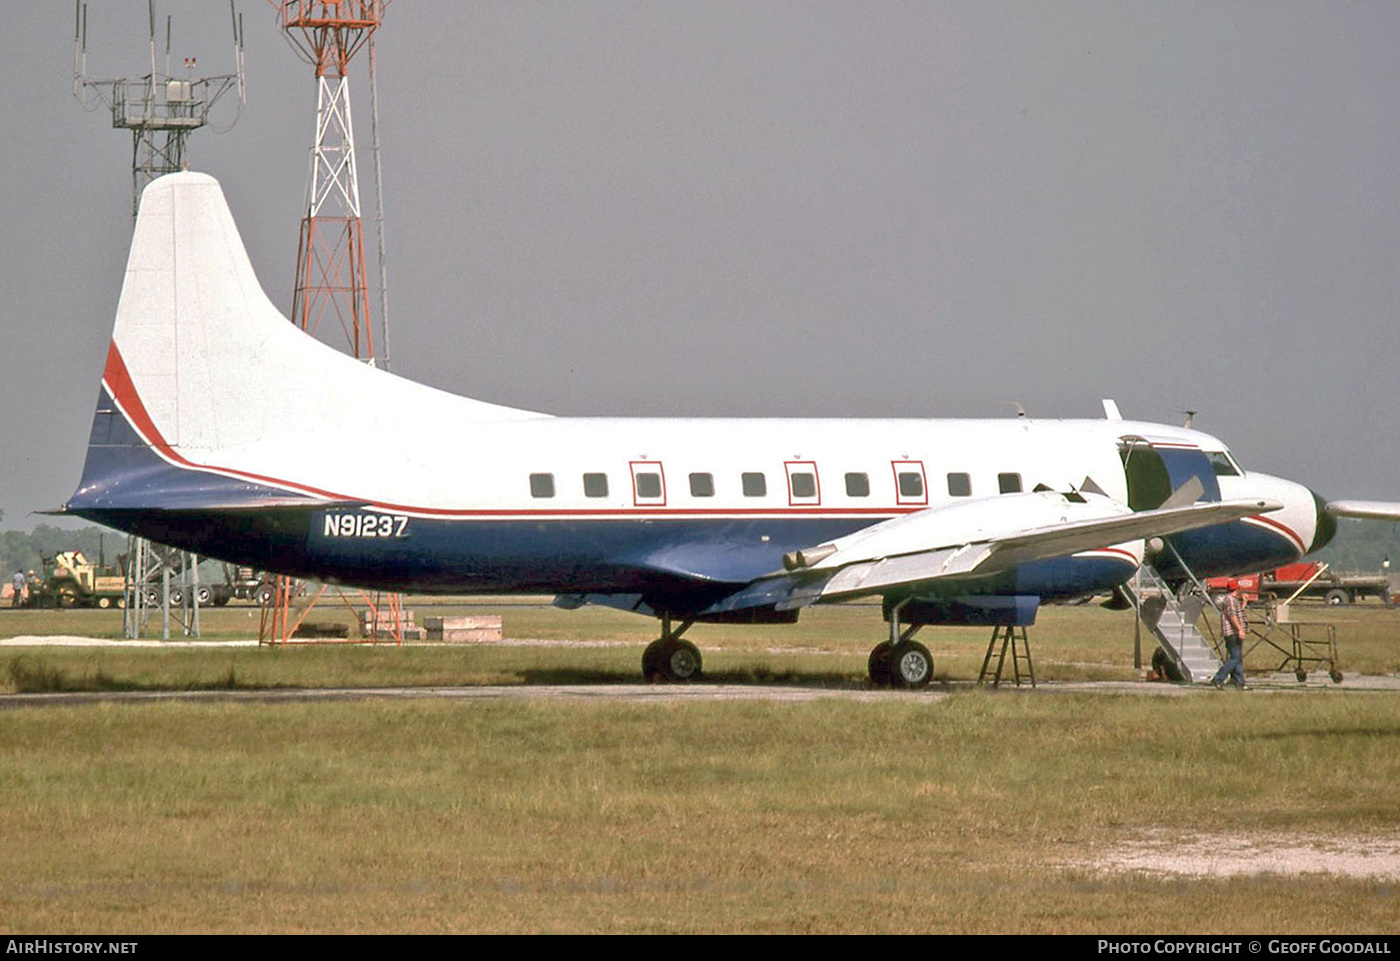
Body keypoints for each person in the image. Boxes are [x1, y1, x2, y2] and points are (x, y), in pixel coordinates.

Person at [1211, 579, 1249, 689]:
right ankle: (1218, 679)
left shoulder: (1231, 600)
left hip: (1233, 632)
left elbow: (1237, 613)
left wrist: (1244, 603)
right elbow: (1232, 616)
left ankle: (1239, 682)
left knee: (1237, 658)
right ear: (1237, 589)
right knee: (1235, 658)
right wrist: (1239, 629)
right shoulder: (1231, 600)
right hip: (1232, 632)